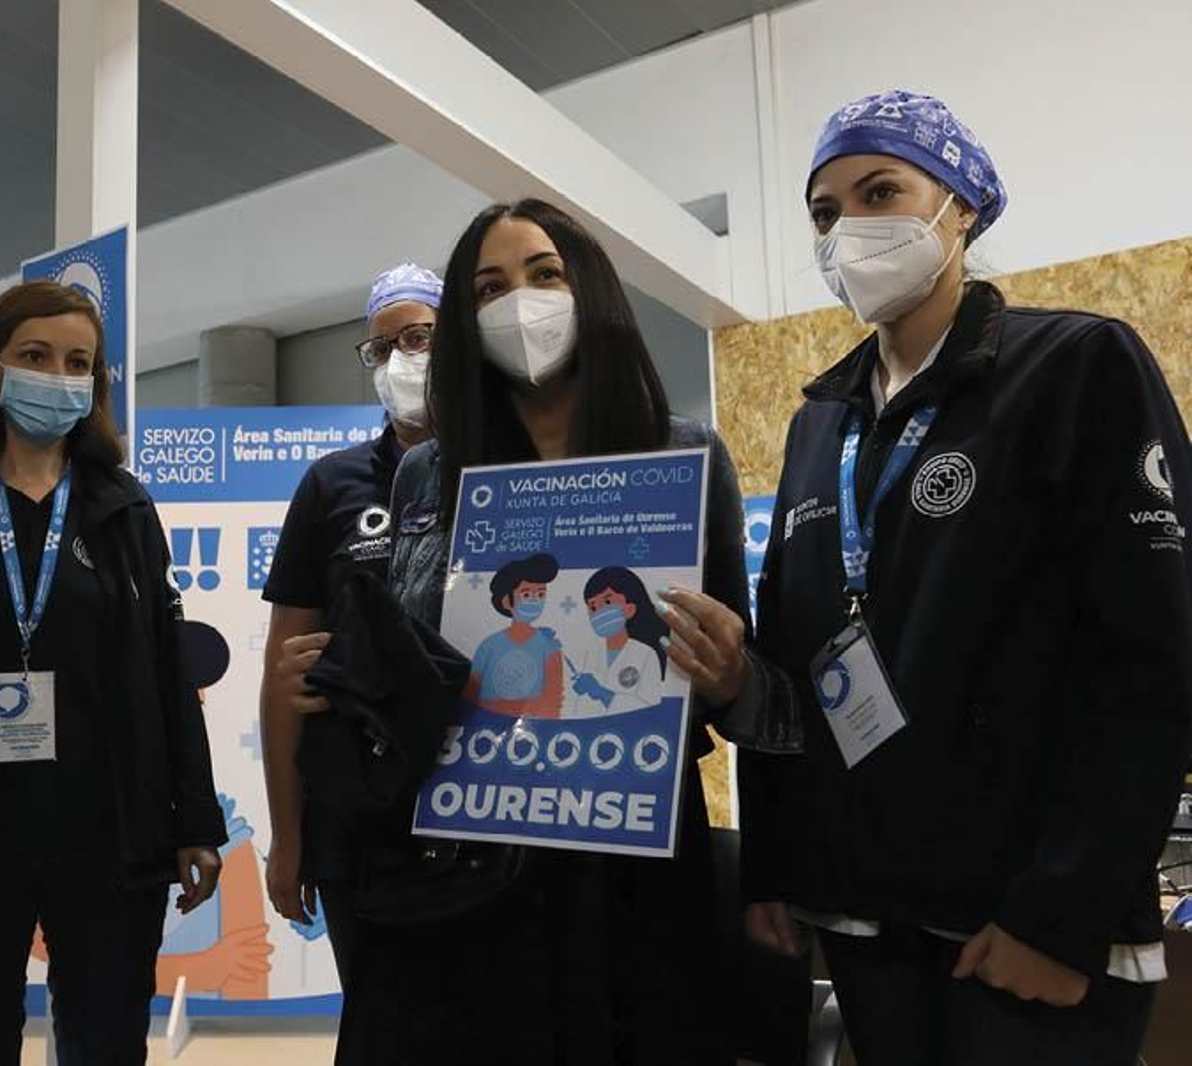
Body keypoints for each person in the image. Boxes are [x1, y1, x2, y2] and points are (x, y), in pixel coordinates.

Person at [738, 89, 1192, 1066]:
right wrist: (772, 865)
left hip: (1019, 930)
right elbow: (786, 652)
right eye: (824, 212)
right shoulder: (821, 424)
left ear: (963, 206)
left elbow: (1151, 659)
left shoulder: (1076, 366)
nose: (847, 229)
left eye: (879, 191)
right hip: (862, 918)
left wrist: (1061, 910)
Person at [335, 199, 799, 1065]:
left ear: (590, 290)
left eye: (544, 275)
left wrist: (732, 676)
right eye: (489, 288)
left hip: (635, 846)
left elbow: (755, 693)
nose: (521, 302)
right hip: (469, 852)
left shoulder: (686, 455)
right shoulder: (430, 473)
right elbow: (406, 669)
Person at [0, 281, 226, 1066]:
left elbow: (168, 673)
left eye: (78, 362)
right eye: (34, 355)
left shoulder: (122, 507)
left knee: (105, 1045)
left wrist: (193, 819)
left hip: (107, 830)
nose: (58, 375)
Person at [259, 262, 441, 984]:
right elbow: (283, 675)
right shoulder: (332, 485)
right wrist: (287, 834)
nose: (402, 359)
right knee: (377, 1026)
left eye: (420, 337)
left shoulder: (505, 467)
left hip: (480, 804)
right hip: (357, 817)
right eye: (383, 347)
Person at [465, 553, 565, 718]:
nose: (535, 600)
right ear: (506, 601)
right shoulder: (488, 646)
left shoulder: (550, 647)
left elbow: (554, 701)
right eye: (526, 594)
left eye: (540, 594)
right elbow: (470, 696)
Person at [567, 566, 669, 717]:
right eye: (593, 607)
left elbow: (652, 707)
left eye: (607, 602)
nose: (599, 612)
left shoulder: (646, 655)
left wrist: (602, 694)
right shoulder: (589, 654)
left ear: (629, 609)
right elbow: (579, 708)